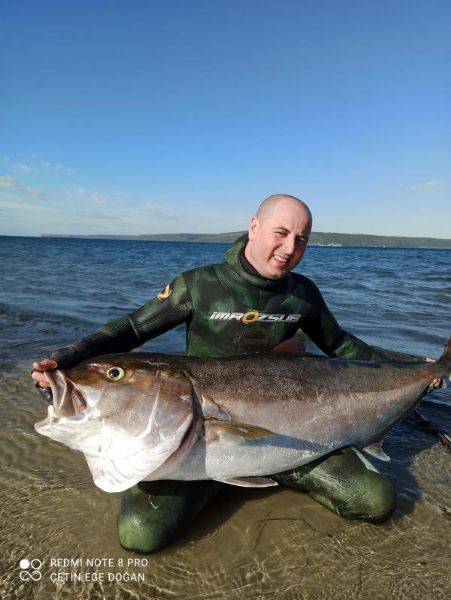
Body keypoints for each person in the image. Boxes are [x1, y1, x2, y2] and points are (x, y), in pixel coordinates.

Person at [32, 194, 425, 553]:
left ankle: (265, 473)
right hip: (189, 434)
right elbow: (131, 330)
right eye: (281, 233)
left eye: (301, 239)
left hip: (296, 435)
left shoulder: (303, 294)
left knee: (374, 501)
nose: (290, 248)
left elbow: (340, 347)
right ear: (254, 226)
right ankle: (219, 479)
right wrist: (69, 357)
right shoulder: (200, 285)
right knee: (139, 533)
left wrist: (413, 370)